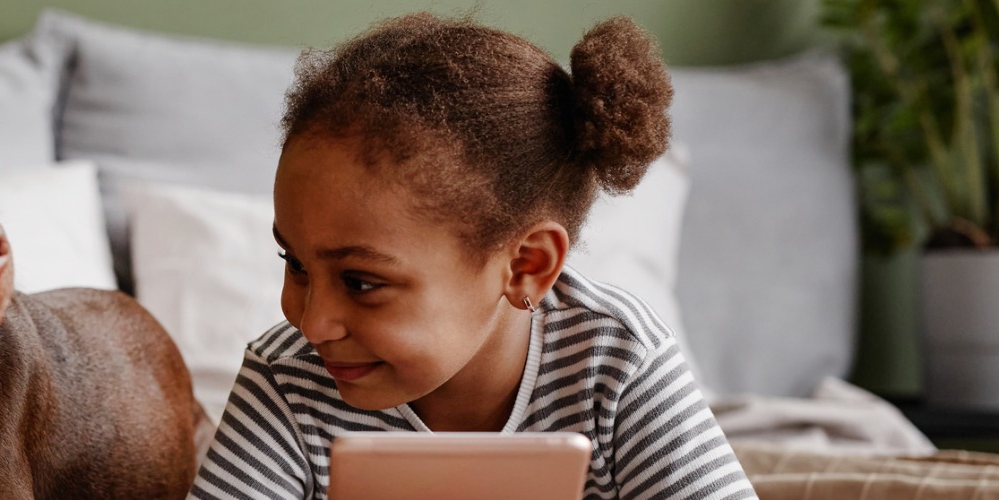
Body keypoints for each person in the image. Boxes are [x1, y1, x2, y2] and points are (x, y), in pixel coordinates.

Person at [190, 12, 755, 500]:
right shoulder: (287, 379)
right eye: (295, 264)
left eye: (361, 282)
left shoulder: (618, 362)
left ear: (526, 266)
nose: (312, 323)